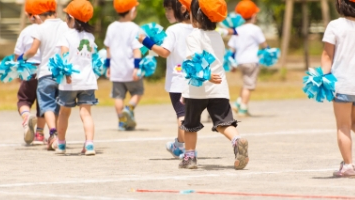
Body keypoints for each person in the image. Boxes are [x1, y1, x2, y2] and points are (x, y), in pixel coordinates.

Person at [179, 0, 249, 170]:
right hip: (219, 88)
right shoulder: (217, 36)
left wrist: (206, 76)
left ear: (196, 17)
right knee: (224, 123)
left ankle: (189, 157)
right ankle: (237, 140)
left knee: (190, 125)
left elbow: (194, 61)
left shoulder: (193, 36)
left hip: (197, 89)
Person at [138, 0, 192, 158]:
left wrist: (145, 42)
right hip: (194, 79)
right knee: (187, 114)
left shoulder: (173, 30)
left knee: (182, 115)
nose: (167, 12)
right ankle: (179, 145)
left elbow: (164, 52)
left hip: (178, 80)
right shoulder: (198, 29)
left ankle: (187, 150)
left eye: (169, 9)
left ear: (182, 8)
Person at [22, 0, 69, 150]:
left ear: (37, 14)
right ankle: (59, 137)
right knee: (58, 106)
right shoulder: (65, 25)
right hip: (61, 73)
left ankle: (53, 134)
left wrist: (22, 58)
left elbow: (33, 50)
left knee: (47, 106)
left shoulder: (40, 28)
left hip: (45, 73)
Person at [321, 0, 355, 178]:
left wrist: (324, 78)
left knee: (344, 125)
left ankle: (349, 166)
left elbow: (327, 55)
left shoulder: (335, 25)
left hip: (343, 84)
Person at [55, 0, 98, 156]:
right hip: (88, 81)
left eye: (67, 16)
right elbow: (92, 58)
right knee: (86, 113)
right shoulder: (91, 37)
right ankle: (90, 144)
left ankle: (60, 144)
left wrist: (66, 74)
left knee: (64, 113)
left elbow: (64, 57)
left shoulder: (66, 36)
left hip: (70, 81)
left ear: (71, 18)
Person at [104, 0, 143, 131]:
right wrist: (137, 68)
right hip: (131, 68)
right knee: (138, 91)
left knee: (118, 96)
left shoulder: (111, 27)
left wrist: (108, 66)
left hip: (116, 69)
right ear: (132, 11)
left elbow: (108, 49)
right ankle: (129, 107)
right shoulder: (134, 28)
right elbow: (137, 50)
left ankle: (121, 122)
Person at [228, 0, 268, 117]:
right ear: (254, 15)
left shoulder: (237, 30)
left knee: (246, 83)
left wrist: (232, 64)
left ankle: (238, 103)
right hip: (252, 61)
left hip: (240, 62)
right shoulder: (255, 29)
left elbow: (232, 48)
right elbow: (263, 44)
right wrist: (268, 50)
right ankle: (243, 109)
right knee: (249, 86)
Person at [14, 12, 46, 145]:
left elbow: (18, 54)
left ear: (29, 15)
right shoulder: (49, 30)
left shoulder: (26, 31)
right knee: (44, 102)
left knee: (24, 99)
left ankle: (26, 117)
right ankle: (39, 133)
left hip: (29, 68)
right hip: (45, 69)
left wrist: (17, 70)